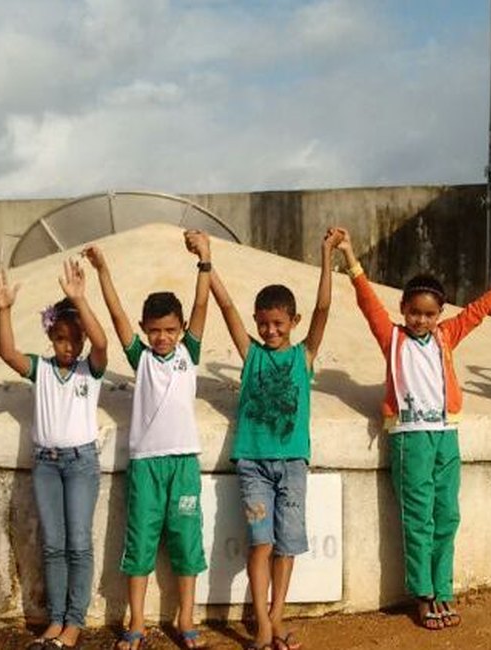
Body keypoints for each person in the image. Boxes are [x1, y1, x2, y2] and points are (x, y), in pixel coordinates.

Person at [335, 226, 491, 631]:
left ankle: (444, 587)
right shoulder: (392, 337)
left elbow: (481, 308)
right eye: (415, 312)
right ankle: (424, 594)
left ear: (440, 314)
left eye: (430, 314)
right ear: (403, 309)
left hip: (446, 437)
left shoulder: (447, 336)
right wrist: (349, 254)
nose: (421, 320)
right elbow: (366, 301)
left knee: (447, 515)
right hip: (409, 439)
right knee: (419, 518)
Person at [208, 228, 340, 650]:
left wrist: (325, 256)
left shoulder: (303, 355)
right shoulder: (252, 355)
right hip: (254, 463)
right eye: (263, 323)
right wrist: (207, 262)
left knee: (287, 545)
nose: (269, 330)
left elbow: (323, 306)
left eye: (278, 323)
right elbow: (226, 306)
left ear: (293, 323)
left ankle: (277, 615)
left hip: (293, 463)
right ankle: (263, 624)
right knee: (260, 543)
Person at [83, 232, 210, 650]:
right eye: (154, 330)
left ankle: (186, 616)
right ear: (145, 330)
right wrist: (103, 271)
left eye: (170, 330)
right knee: (139, 540)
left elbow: (202, 304)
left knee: (186, 541)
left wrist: (204, 261)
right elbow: (117, 314)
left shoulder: (188, 353)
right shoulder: (141, 358)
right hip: (145, 464)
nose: (162, 337)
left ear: (182, 330)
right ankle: (136, 621)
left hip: (183, 464)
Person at [0, 259, 107, 650]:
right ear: (50, 338)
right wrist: (4, 309)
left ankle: (74, 622)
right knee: (53, 543)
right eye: (60, 340)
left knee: (79, 543)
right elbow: (7, 353)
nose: (67, 347)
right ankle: (55, 619)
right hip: (47, 464)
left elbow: (103, 343)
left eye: (74, 339)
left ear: (82, 339)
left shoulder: (91, 369)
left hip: (81, 463)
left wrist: (79, 299)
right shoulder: (42, 369)